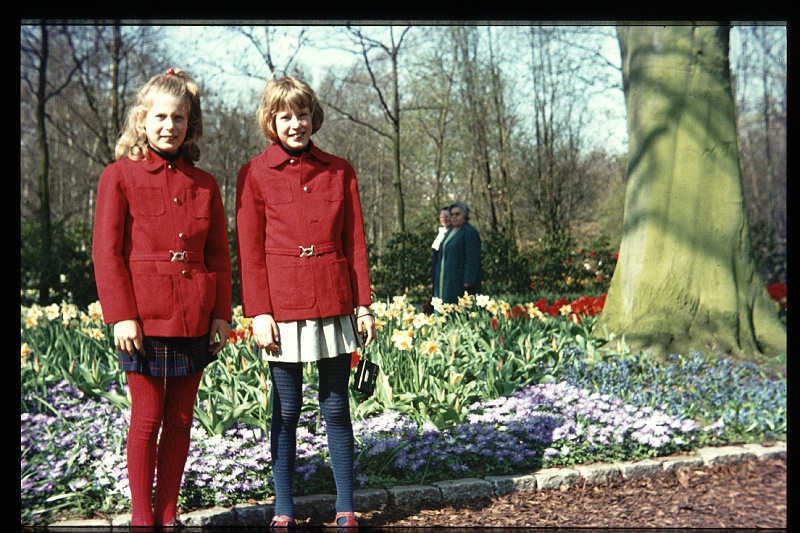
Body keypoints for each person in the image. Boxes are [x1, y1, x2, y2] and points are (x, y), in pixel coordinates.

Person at [235, 75, 377, 531]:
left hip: (334, 299)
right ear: (270, 122)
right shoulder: (254, 173)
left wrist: (363, 305)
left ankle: (345, 505)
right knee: (286, 408)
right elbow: (250, 251)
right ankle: (284, 508)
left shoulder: (340, 170)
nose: (295, 124)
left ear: (314, 117)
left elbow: (355, 241)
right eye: (284, 117)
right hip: (282, 307)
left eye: (302, 114)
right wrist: (259, 312)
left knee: (336, 406)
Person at [92, 68, 232, 528]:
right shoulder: (118, 176)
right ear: (143, 119)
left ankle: (168, 515)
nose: (169, 126)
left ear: (191, 123)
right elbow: (106, 253)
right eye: (160, 117)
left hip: (195, 314)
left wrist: (221, 315)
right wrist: (121, 315)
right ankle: (142, 517)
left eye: (179, 118)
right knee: (147, 418)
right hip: (143, 319)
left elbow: (218, 255)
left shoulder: (205, 184)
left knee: (181, 419)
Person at [434, 201, 482, 304]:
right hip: (445, 277)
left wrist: (469, 279)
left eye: (457, 214)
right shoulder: (449, 231)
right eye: (452, 214)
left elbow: (473, 258)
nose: (454, 217)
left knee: (456, 305)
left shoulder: (469, 232)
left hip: (459, 279)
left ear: (464, 215)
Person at [430, 206, 451, 298]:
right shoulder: (441, 232)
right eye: (442, 217)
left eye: (447, 216)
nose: (444, 219)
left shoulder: (452, 233)